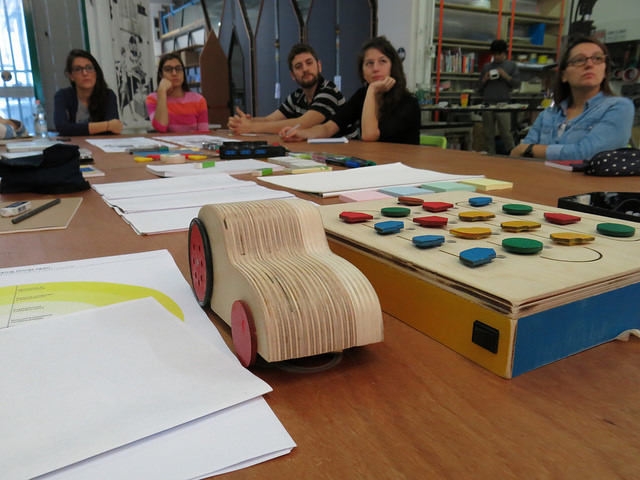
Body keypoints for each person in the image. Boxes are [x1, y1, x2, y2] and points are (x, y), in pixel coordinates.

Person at [280, 36, 420, 145]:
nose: (375, 68)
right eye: (369, 63)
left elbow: (369, 136)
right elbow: (329, 128)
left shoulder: (408, 102)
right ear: (362, 71)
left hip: (404, 167)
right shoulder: (362, 95)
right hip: (376, 163)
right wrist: (301, 133)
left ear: (392, 66)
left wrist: (372, 90)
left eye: (382, 61)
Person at [511, 36, 634, 160]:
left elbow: (589, 154)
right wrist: (527, 150)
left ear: (604, 71)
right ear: (564, 75)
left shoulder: (619, 107)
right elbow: (521, 157)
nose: (589, 64)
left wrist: (531, 150)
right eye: (579, 60)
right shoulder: (550, 113)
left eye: (597, 59)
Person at [228, 43, 348, 135]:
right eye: (298, 66)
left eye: (309, 63)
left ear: (319, 66)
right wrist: (243, 122)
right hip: (317, 152)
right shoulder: (297, 96)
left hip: (345, 152)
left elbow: (301, 124)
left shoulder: (329, 91)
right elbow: (269, 120)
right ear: (292, 75)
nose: (305, 69)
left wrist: (250, 127)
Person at [54, 49, 122, 136]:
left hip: (101, 143)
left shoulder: (108, 95)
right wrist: (107, 125)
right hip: (73, 144)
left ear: (96, 72)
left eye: (89, 68)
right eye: (78, 69)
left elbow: (115, 128)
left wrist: (76, 129)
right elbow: (63, 128)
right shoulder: (63, 96)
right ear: (71, 76)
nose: (85, 73)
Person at [145, 53, 208, 133]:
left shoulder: (199, 100)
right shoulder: (153, 99)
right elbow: (161, 127)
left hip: (194, 141)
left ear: (183, 73)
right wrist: (162, 92)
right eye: (168, 69)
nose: (174, 73)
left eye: (178, 69)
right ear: (161, 74)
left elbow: (204, 133)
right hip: (165, 141)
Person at [477, 39, 521, 154]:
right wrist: (485, 79)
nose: (496, 57)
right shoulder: (487, 66)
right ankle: (490, 155)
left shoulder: (511, 65)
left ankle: (513, 155)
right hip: (488, 104)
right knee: (488, 134)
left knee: (506, 133)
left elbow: (517, 84)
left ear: (504, 53)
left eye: (498, 54)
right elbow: (479, 87)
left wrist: (505, 76)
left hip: (503, 104)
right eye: (494, 54)